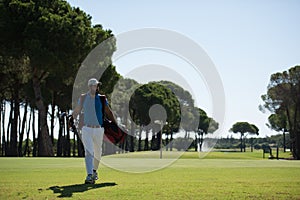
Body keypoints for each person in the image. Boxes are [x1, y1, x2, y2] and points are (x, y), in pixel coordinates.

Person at [72, 78, 116, 184]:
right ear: (89, 86)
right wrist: (71, 119)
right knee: (89, 152)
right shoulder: (83, 98)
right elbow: (77, 110)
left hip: (99, 129)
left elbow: (108, 111)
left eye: (96, 86)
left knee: (98, 153)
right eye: (93, 86)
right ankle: (89, 175)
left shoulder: (102, 98)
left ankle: (94, 171)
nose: (95, 87)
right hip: (86, 128)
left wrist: (115, 123)